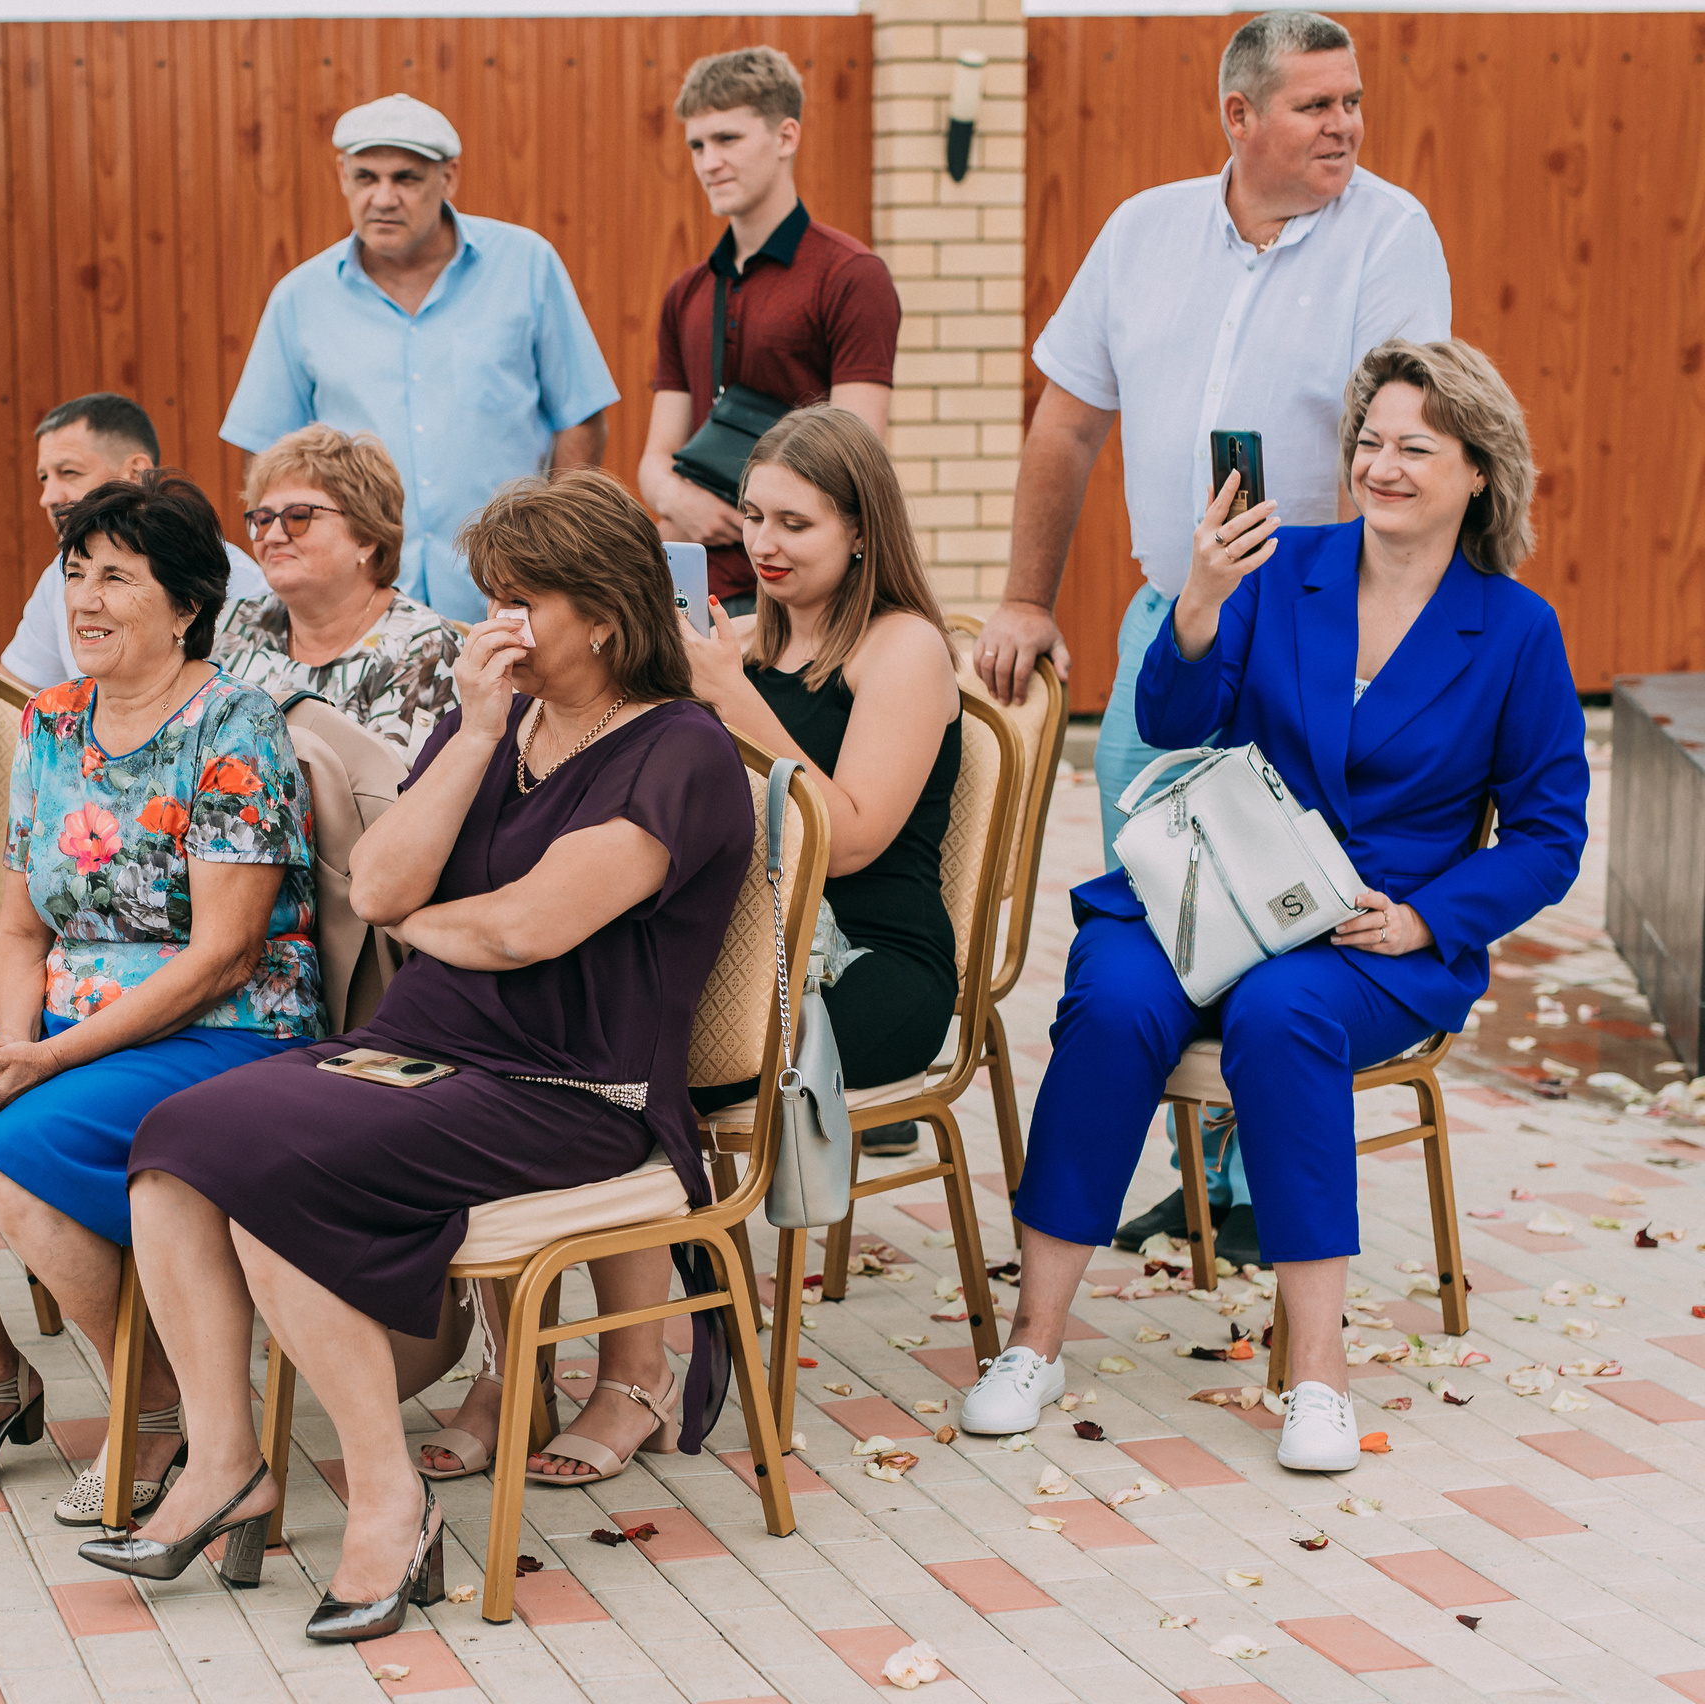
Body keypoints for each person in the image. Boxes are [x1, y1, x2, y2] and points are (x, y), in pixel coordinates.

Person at [85, 469, 751, 1646]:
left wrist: (436, 923)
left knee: (268, 1169)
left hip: (570, 1089)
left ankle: (389, 1505)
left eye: (521, 600)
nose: (496, 624)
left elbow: (523, 929)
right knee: (180, 1141)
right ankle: (228, 1460)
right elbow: (380, 886)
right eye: (492, 597)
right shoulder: (494, 721)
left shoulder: (680, 750)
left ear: (603, 615)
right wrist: (477, 732)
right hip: (420, 1048)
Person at [965, 339, 1587, 1473]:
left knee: (1281, 1013)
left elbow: (1549, 838)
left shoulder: (1515, 630)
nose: (1380, 466)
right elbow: (1171, 717)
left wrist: (1427, 919)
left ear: (1478, 471)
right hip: (1214, 893)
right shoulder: (1280, 566)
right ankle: (1032, 1343)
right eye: (1368, 442)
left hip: (1371, 935)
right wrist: (1199, 600)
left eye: (1414, 447)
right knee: (1111, 1002)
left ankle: (1317, 1374)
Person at [969, 11, 1452, 1255]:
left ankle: (1248, 1196)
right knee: (1171, 912)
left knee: (1284, 908)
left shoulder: (1391, 237)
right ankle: (1193, 1174)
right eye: (1314, 105)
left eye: (1351, 100)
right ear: (1238, 116)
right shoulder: (1141, 232)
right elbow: (1066, 425)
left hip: (1316, 632)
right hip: (1167, 625)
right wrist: (1024, 596)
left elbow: (1397, 448)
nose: (1345, 125)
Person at [0, 470, 322, 1521]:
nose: (85, 599)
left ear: (187, 605)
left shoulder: (234, 724)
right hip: (62, 1028)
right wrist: (6, 1051)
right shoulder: (53, 721)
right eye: (76, 573)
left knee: (11, 1168)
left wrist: (43, 1064)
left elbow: (224, 954)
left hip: (222, 1028)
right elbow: (20, 927)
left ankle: (156, 1403)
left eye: (118, 577)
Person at [221, 94, 620, 622]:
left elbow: (581, 418)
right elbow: (264, 453)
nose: (383, 198)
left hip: (506, 595)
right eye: (366, 178)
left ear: (448, 177)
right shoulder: (299, 297)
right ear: (342, 176)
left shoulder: (527, 264)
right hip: (358, 611)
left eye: (405, 179)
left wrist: (552, 555)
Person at [680, 406, 959, 1162]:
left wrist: (733, 700)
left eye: (794, 524)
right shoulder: (740, 639)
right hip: (748, 939)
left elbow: (850, 843)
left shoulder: (903, 647)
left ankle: (689, 1223)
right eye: (752, 516)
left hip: (875, 965)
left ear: (860, 531)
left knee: (643, 1053)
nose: (762, 544)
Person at [639, 48, 901, 611]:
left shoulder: (852, 276)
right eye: (697, 145)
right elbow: (654, 460)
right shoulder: (686, 292)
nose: (709, 162)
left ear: (786, 136)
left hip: (801, 598)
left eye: (727, 139)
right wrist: (681, 501)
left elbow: (857, 459)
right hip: (689, 588)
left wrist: (761, 520)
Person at [213, 424, 461, 750]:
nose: (271, 536)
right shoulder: (230, 624)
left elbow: (398, 779)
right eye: (262, 519)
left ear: (365, 536)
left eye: (297, 517)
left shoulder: (425, 647)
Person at [0, 393, 266, 689]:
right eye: (44, 478)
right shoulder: (56, 575)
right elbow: (9, 695)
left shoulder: (230, 578)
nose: (48, 498)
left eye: (69, 472)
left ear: (136, 471)